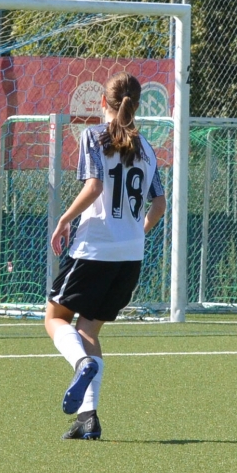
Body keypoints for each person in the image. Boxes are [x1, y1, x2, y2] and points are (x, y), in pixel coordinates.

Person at [45, 74, 166, 440]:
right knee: (88, 330)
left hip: (94, 249)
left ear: (103, 102)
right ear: (137, 105)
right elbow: (159, 204)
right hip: (130, 258)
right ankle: (88, 419)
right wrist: (135, 232)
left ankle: (81, 362)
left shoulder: (94, 136)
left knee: (55, 318)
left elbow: (95, 186)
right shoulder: (147, 148)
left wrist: (64, 220)